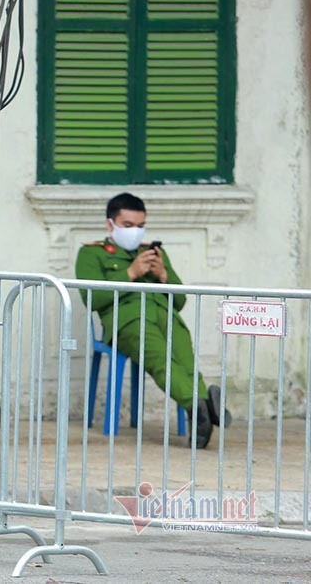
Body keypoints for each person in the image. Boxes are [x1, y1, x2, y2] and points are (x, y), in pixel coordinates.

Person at [75, 192, 231, 449]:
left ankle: (202, 411)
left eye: (140, 226)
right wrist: (130, 273)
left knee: (186, 361)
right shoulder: (92, 254)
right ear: (110, 224)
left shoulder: (154, 253)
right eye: (127, 226)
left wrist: (164, 276)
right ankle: (201, 406)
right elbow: (92, 299)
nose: (135, 231)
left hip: (166, 316)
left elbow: (179, 302)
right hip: (128, 321)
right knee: (161, 360)